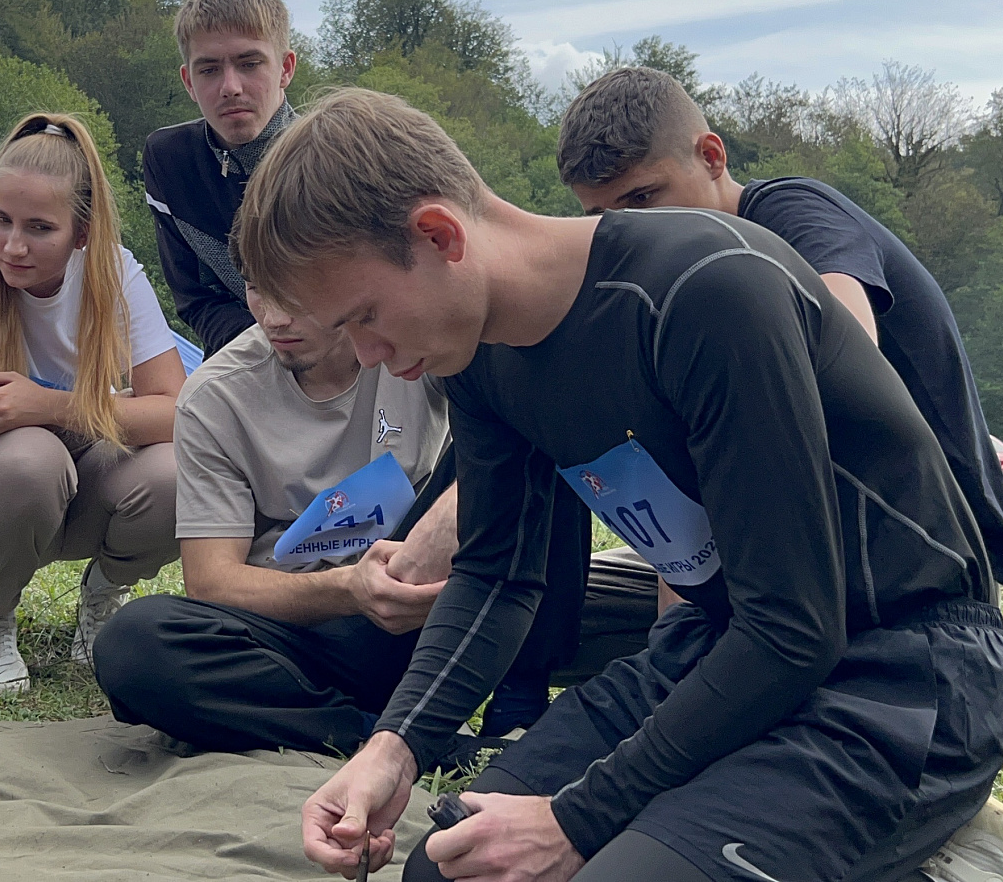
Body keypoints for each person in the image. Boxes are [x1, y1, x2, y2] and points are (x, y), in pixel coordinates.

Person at [235, 89, 1003, 882]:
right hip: (714, 648)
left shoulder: (707, 290)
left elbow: (794, 626)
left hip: (900, 671)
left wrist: (577, 819)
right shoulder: (477, 357)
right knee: (448, 871)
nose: (367, 354)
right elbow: (497, 571)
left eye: (364, 315)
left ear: (439, 235)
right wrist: (392, 748)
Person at [92, 286, 657, 758]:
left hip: (433, 592)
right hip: (302, 637)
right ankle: (378, 736)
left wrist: (463, 501)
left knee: (544, 436)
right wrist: (349, 588)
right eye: (258, 289)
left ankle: (519, 708)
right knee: (135, 641)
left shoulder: (408, 340)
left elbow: (541, 401)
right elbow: (213, 582)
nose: (275, 316)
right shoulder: (214, 397)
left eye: (294, 290)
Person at [556, 66, 1003, 589]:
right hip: (787, 531)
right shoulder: (671, 279)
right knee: (546, 608)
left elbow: (843, 359)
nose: (629, 231)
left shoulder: (793, 212)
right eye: (604, 217)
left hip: (921, 545)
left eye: (643, 198)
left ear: (711, 157)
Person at [0, 113, 186, 693]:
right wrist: (93, 413)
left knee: (178, 471)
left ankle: (103, 595)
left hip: (83, 478)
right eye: (1, 219)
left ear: (82, 232)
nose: (12, 246)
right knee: (28, 456)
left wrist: (48, 404)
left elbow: (178, 412)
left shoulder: (114, 272)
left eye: (39, 228)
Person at [141, 0, 298, 354]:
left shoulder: (333, 159)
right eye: (209, 70)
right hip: (242, 364)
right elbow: (195, 298)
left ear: (285, 68)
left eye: (250, 64)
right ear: (188, 82)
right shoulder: (170, 160)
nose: (230, 86)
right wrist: (267, 355)